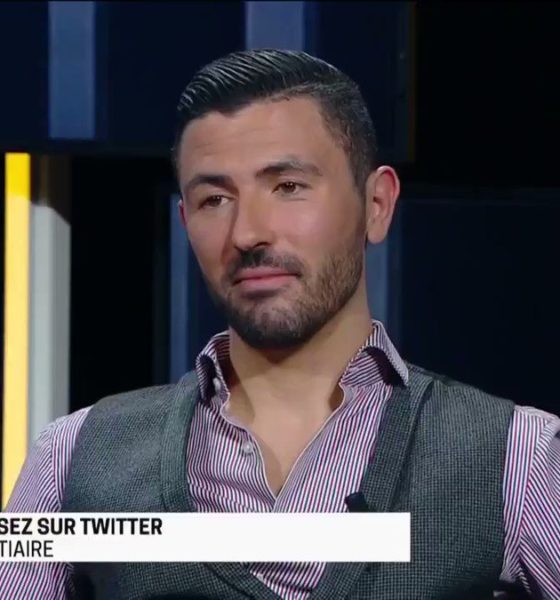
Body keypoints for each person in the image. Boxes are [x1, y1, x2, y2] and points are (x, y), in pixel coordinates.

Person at [1, 48, 559, 600]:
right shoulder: (69, 459)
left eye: (288, 186)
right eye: (214, 199)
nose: (247, 233)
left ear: (377, 204)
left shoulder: (519, 459)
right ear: (185, 220)